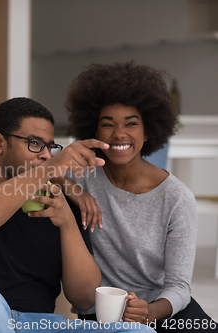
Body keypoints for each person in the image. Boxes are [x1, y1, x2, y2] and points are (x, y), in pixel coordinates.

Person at [0, 97, 154, 332]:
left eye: (50, 147)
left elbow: (84, 299)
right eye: (35, 143)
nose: (46, 154)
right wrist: (52, 168)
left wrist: (67, 223)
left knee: (140, 331)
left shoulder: (61, 205)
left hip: (36, 325)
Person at [64, 61, 216, 332]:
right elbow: (34, 168)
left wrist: (150, 312)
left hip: (160, 308)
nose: (119, 133)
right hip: (104, 312)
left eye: (131, 124)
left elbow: (179, 287)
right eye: (108, 124)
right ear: (95, 132)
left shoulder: (176, 198)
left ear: (147, 132)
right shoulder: (83, 176)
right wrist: (73, 190)